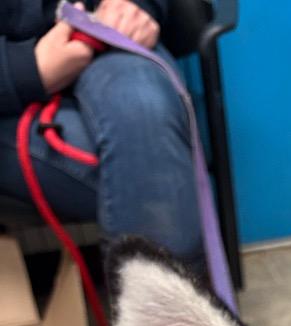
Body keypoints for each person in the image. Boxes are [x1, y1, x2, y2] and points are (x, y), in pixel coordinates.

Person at [0, 0, 204, 269]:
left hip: (101, 34)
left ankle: (178, 304)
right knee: (150, 180)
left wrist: (136, 5)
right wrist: (23, 71)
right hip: (15, 80)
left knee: (144, 116)